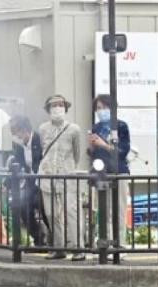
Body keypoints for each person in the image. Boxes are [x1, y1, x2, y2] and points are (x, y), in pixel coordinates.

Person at [38, 95, 85, 261]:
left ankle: (78, 247)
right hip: (47, 176)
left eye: (60, 105)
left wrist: (69, 167)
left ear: (65, 108)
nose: (57, 108)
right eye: (53, 106)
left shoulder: (74, 129)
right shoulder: (42, 129)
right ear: (48, 109)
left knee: (71, 212)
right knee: (51, 214)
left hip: (67, 176)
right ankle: (58, 247)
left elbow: (77, 153)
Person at [88, 94, 131, 246]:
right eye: (98, 108)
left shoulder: (121, 126)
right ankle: (106, 243)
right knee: (104, 211)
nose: (101, 111)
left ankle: (120, 244)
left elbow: (123, 151)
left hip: (119, 171)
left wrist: (103, 144)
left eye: (105, 107)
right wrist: (92, 147)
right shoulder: (96, 127)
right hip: (102, 172)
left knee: (119, 209)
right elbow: (94, 154)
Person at [10, 115, 48, 246]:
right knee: (22, 207)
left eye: (18, 134)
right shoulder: (19, 146)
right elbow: (18, 163)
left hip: (43, 181)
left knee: (44, 208)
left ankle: (55, 239)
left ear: (26, 130)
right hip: (30, 182)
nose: (18, 138)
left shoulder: (39, 140)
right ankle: (38, 237)